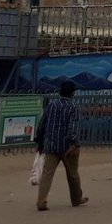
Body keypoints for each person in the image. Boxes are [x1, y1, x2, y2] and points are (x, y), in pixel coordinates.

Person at [34, 81, 86, 212]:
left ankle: (41, 201)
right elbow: (72, 128)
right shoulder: (73, 107)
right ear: (72, 93)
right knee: (73, 174)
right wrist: (74, 144)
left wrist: (40, 143)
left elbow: (42, 124)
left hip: (51, 145)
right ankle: (76, 199)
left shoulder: (51, 105)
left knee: (47, 174)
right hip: (67, 147)